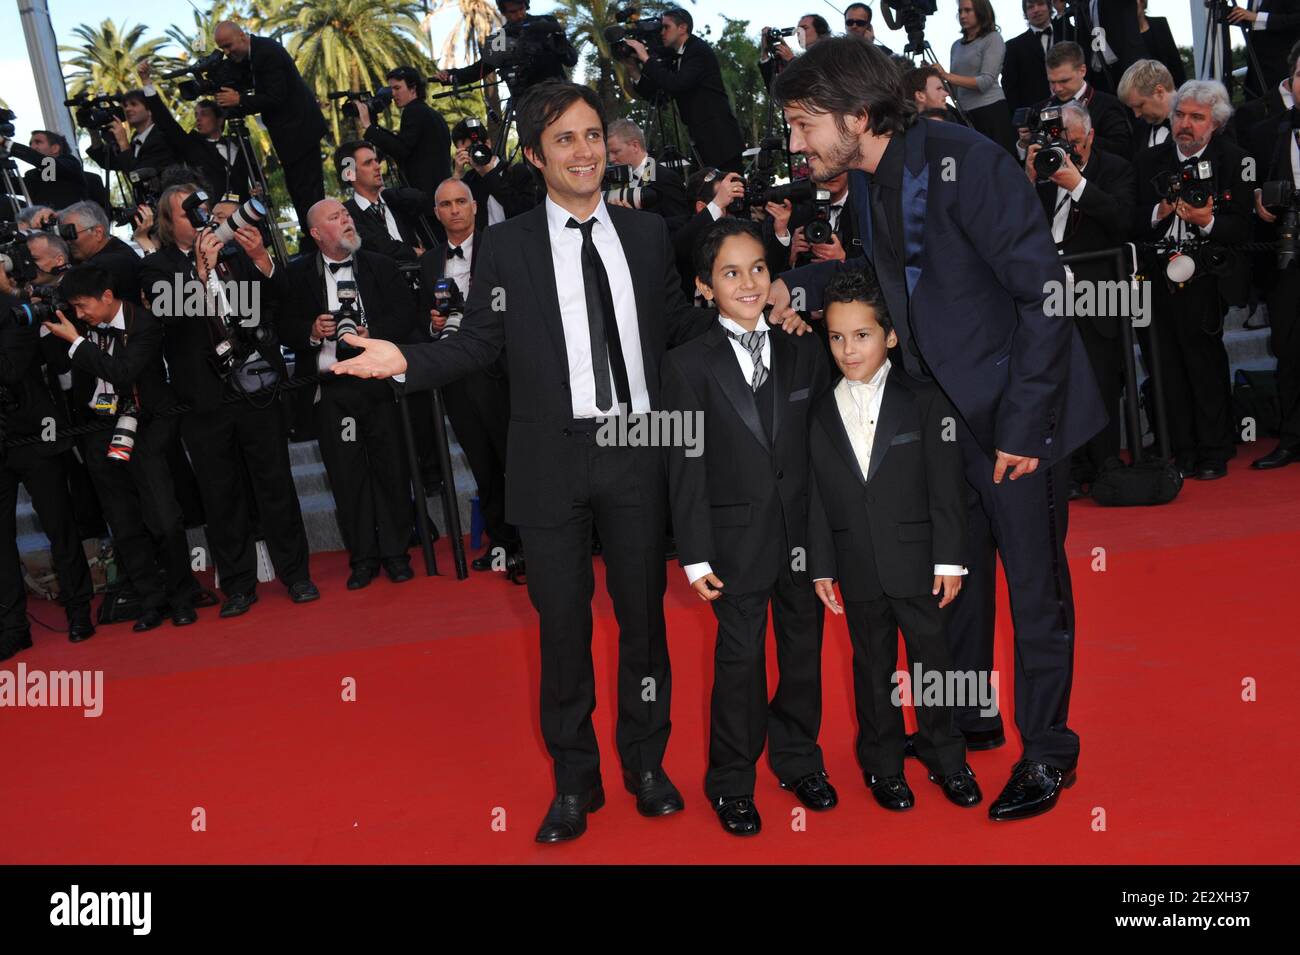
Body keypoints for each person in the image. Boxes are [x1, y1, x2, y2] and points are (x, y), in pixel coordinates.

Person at [329, 81, 809, 843]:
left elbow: (680, 322)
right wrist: (402, 361)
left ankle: (646, 765)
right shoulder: (508, 244)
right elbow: (481, 343)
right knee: (561, 627)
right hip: (550, 458)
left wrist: (759, 303)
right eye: (564, 139)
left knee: (643, 621)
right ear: (533, 155)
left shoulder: (648, 232)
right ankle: (574, 782)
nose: (584, 151)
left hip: (637, 452)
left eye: (592, 135)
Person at [768, 36, 1106, 820]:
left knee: (1035, 590)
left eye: (801, 123)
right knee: (957, 583)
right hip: (943, 422)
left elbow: (1046, 294)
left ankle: (1051, 752)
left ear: (856, 114)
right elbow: (883, 283)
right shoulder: (871, 179)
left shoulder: (966, 160)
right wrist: (796, 284)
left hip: (1019, 417)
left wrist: (1022, 426)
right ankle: (971, 721)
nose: (795, 142)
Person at [662, 218, 835, 836]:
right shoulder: (685, 365)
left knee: (802, 653)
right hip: (732, 541)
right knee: (738, 663)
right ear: (705, 286)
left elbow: (822, 447)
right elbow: (684, 465)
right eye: (730, 273)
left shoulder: (803, 347)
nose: (747, 282)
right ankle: (731, 779)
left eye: (758, 268)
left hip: (803, 537)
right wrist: (694, 554)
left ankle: (797, 759)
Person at [808, 266, 979, 812]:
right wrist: (820, 565)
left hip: (919, 559)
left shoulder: (925, 400)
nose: (848, 350)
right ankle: (882, 765)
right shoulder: (815, 409)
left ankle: (946, 756)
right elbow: (814, 494)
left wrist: (950, 560)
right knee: (870, 666)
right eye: (836, 337)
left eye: (861, 335)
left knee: (934, 664)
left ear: (890, 335)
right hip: (856, 563)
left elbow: (946, 488)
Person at [140, 184, 319, 616]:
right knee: (221, 494)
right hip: (202, 400)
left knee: (275, 484)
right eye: (187, 213)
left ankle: (296, 575)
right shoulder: (155, 267)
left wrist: (259, 260)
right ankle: (238, 585)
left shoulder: (235, 251)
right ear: (169, 223)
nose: (199, 219)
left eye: (201, 209)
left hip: (256, 388)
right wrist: (202, 273)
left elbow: (269, 306)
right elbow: (171, 314)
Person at [42, 266, 198, 631]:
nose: (79, 315)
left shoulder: (143, 323)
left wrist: (77, 343)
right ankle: (149, 600)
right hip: (98, 430)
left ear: (107, 297)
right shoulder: (75, 323)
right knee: (123, 524)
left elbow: (124, 373)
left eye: (83, 307)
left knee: (163, 518)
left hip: (144, 429)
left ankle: (182, 596)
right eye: (74, 308)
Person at [283, 200, 418, 587]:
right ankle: (363, 558)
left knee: (391, 469)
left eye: (345, 214)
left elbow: (405, 315)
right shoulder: (298, 275)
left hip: (377, 383)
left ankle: (396, 553)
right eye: (334, 217)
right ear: (315, 234)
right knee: (346, 477)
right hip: (332, 390)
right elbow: (283, 325)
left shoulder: (379, 265)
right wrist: (312, 330)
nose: (345, 220)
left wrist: (370, 334)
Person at [1133, 80, 1251, 481]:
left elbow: (1245, 229)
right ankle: (1181, 449)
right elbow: (1128, 220)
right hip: (1154, 277)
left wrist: (1209, 222)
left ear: (1214, 124)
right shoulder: (1149, 160)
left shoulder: (1233, 160)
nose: (1185, 124)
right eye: (1180, 115)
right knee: (1164, 367)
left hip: (1205, 277)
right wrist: (1158, 212)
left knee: (1204, 365)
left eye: (1196, 118)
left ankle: (1215, 449)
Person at [1026, 101, 1136, 496]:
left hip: (1099, 294)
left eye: (1074, 142)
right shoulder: (1042, 174)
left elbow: (1123, 219)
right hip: (1048, 294)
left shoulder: (1116, 168)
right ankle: (1068, 470)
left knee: (1101, 379)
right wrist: (1029, 177)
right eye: (1060, 142)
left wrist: (1077, 185)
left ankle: (1105, 466)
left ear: (1089, 136)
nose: (1067, 152)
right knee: (1054, 382)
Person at [417, 178, 519, 574]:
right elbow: (419, 321)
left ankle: (536, 541)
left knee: (517, 460)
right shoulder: (428, 262)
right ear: (437, 212)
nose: (455, 209)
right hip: (457, 378)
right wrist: (434, 324)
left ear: (475, 207)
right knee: (482, 464)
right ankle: (502, 543)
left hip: (504, 372)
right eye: (446, 204)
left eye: (462, 201)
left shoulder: (502, 245)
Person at [0, 293, 96, 659]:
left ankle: (78, 612)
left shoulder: (15, 311)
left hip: (36, 438)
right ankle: (13, 627)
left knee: (60, 526)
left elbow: (10, 369)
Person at [213, 20, 328, 254]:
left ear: (243, 36)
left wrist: (239, 101)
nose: (227, 53)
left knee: (307, 191)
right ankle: (313, 239)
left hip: (300, 132)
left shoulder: (267, 53)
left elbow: (276, 97)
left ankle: (318, 242)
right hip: (292, 136)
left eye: (228, 46)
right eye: (222, 49)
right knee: (299, 191)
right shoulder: (252, 57)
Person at [1252, 44, 1300, 470]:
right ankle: (1292, 438)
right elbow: (1269, 182)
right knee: (1287, 346)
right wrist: (1262, 201)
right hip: (1290, 251)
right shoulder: (1278, 128)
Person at [625, 7, 747, 172]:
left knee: (730, 191)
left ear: (682, 28)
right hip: (702, 140)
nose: (662, 32)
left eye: (666, 27)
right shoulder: (676, 56)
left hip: (720, 140)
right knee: (703, 193)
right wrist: (633, 69)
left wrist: (646, 58)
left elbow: (676, 83)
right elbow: (658, 95)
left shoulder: (697, 50)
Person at [135, 61, 251, 202]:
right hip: (213, 216)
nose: (198, 119)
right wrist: (147, 82)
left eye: (204, 114)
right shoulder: (191, 145)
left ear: (220, 120)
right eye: (196, 115)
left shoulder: (241, 144)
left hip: (247, 215)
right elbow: (166, 122)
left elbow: (256, 177)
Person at [1021, 42, 1134, 161]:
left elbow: (1123, 149)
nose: (1057, 88)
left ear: (1082, 71)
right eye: (1052, 82)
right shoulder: (1041, 109)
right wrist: (1024, 144)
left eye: (1064, 81)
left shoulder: (1108, 104)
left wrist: (1077, 136)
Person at [434, 0, 577, 93]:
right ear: (503, 13)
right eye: (513, 12)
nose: (520, 15)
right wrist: (450, 75)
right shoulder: (501, 38)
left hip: (560, 92)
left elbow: (571, 60)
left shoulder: (546, 22)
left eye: (521, 8)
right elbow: (479, 70)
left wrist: (556, 40)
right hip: (526, 101)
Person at [355, 65, 452, 200]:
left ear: (413, 88)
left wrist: (368, 126)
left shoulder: (413, 111)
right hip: (441, 193)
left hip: (424, 198)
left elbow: (401, 150)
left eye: (397, 88)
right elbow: (405, 144)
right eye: (391, 89)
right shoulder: (432, 114)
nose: (393, 94)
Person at [939, 0, 1016, 154]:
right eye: (960, 11)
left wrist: (946, 75)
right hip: (966, 114)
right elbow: (954, 88)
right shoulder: (956, 46)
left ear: (980, 12)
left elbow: (985, 82)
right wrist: (938, 78)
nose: (962, 15)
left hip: (991, 112)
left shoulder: (993, 39)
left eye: (968, 11)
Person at [335, 141, 427, 262]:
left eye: (376, 160)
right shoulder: (346, 213)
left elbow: (423, 199)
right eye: (368, 163)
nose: (378, 167)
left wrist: (387, 192)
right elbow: (375, 245)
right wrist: (414, 252)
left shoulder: (395, 200)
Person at [450, 118, 541, 230]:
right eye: (467, 150)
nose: (474, 153)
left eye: (476, 147)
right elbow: (453, 214)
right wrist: (458, 173)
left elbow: (524, 211)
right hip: (484, 245)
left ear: (487, 143)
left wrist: (489, 174)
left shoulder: (517, 172)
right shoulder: (468, 180)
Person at [57, 201, 141, 304]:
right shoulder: (117, 248)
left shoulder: (106, 264)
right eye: (64, 236)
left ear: (98, 233)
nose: (67, 242)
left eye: (71, 234)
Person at [604, 119, 689, 219]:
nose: (611, 159)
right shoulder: (621, 179)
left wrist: (635, 219)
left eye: (615, 152)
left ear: (635, 146)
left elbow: (680, 224)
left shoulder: (664, 178)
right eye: (608, 153)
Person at [86, 89, 179, 179]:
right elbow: (107, 162)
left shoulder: (162, 137)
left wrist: (123, 142)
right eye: (125, 106)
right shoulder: (136, 140)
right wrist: (94, 132)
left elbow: (137, 175)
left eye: (134, 104)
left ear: (150, 110)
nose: (127, 109)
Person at [0, 130, 89, 212]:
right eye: (30, 144)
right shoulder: (33, 175)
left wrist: (5, 143)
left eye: (38, 142)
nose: (32, 147)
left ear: (55, 148)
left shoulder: (70, 163)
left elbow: (47, 163)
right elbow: (6, 185)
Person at [1227, 1, 1300, 100]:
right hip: (1254, 76)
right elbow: (1254, 22)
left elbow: (1296, 20)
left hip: (1280, 72)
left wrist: (1257, 18)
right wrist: (1225, 13)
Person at [1003, 1, 1056, 115]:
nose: (1036, 10)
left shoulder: (1069, 33)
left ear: (1049, 7)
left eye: (1041, 4)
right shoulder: (1013, 46)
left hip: (1073, 107)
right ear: (1025, 13)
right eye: (1031, 7)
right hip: (1035, 113)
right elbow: (1010, 88)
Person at [1118, 58, 1177, 157]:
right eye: (1132, 108)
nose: (1136, 114)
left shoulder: (1196, 123)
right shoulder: (1139, 129)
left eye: (1140, 105)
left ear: (1159, 92)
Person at [1135, 0, 1185, 89]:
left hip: (1166, 86)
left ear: (1142, 2)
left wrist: (1180, 89)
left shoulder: (1160, 24)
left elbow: (1174, 60)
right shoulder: (1125, 34)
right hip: (1142, 90)